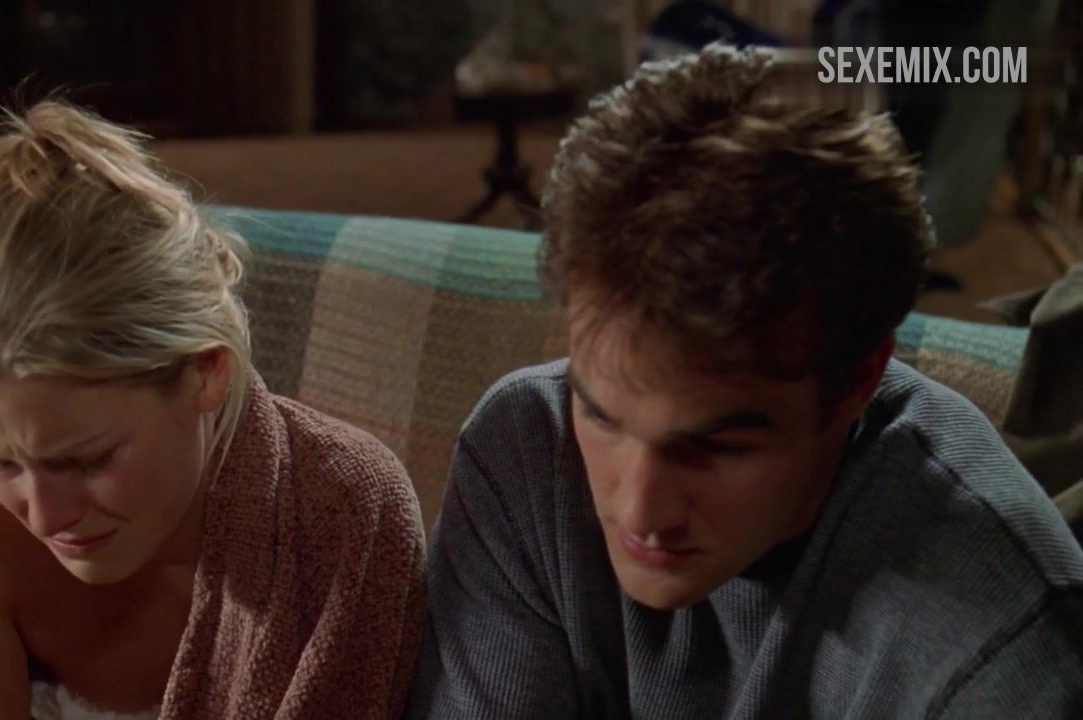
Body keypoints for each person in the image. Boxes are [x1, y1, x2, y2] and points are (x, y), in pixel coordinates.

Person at [407, 45, 1083, 719]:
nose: (641, 511)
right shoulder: (524, 449)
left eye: (719, 446)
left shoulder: (1001, 645)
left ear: (858, 380)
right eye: (602, 416)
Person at [0, 101, 425, 720]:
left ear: (207, 372)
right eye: (1, 461)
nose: (45, 515)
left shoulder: (341, 513)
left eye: (88, 460)